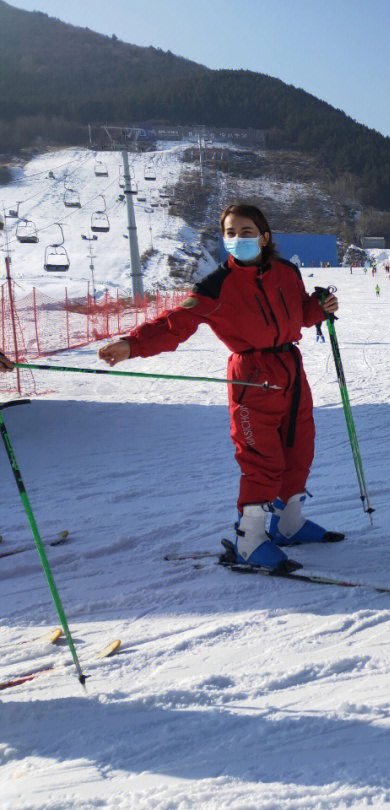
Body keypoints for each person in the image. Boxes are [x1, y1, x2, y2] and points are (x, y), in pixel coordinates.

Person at [97, 204, 341, 572]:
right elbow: (173, 324)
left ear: (265, 237)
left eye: (246, 231)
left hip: (290, 369)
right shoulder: (215, 286)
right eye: (230, 232)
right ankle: (250, 541)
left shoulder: (287, 273)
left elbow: (298, 314)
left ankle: (289, 524)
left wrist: (319, 306)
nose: (238, 238)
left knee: (298, 447)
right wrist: (132, 344)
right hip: (252, 378)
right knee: (262, 459)